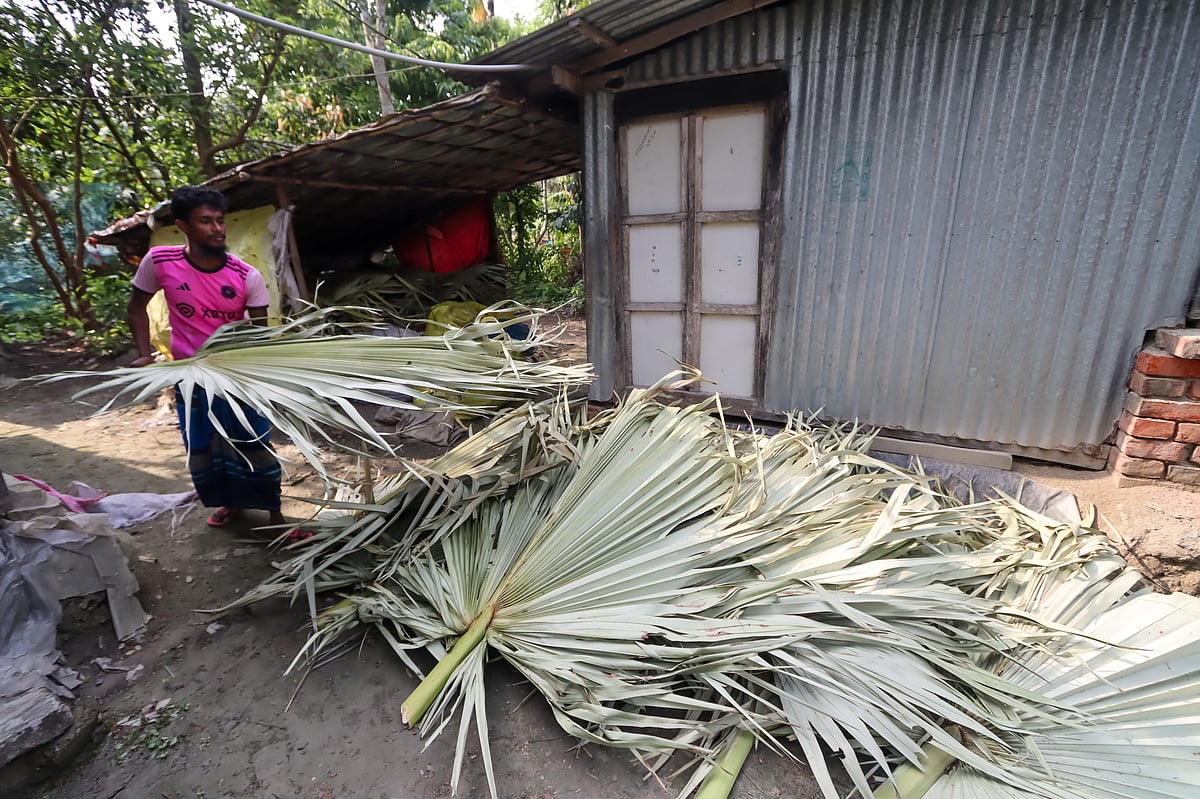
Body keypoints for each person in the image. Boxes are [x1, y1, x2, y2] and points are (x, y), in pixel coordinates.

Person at [126, 186, 295, 538]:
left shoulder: (245, 275)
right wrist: (144, 351)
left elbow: (258, 333)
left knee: (254, 444)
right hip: (190, 376)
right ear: (183, 225)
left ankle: (277, 518)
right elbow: (136, 306)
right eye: (206, 221)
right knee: (203, 448)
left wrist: (261, 370)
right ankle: (230, 502)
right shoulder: (160, 261)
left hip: (236, 376)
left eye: (220, 221)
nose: (217, 228)